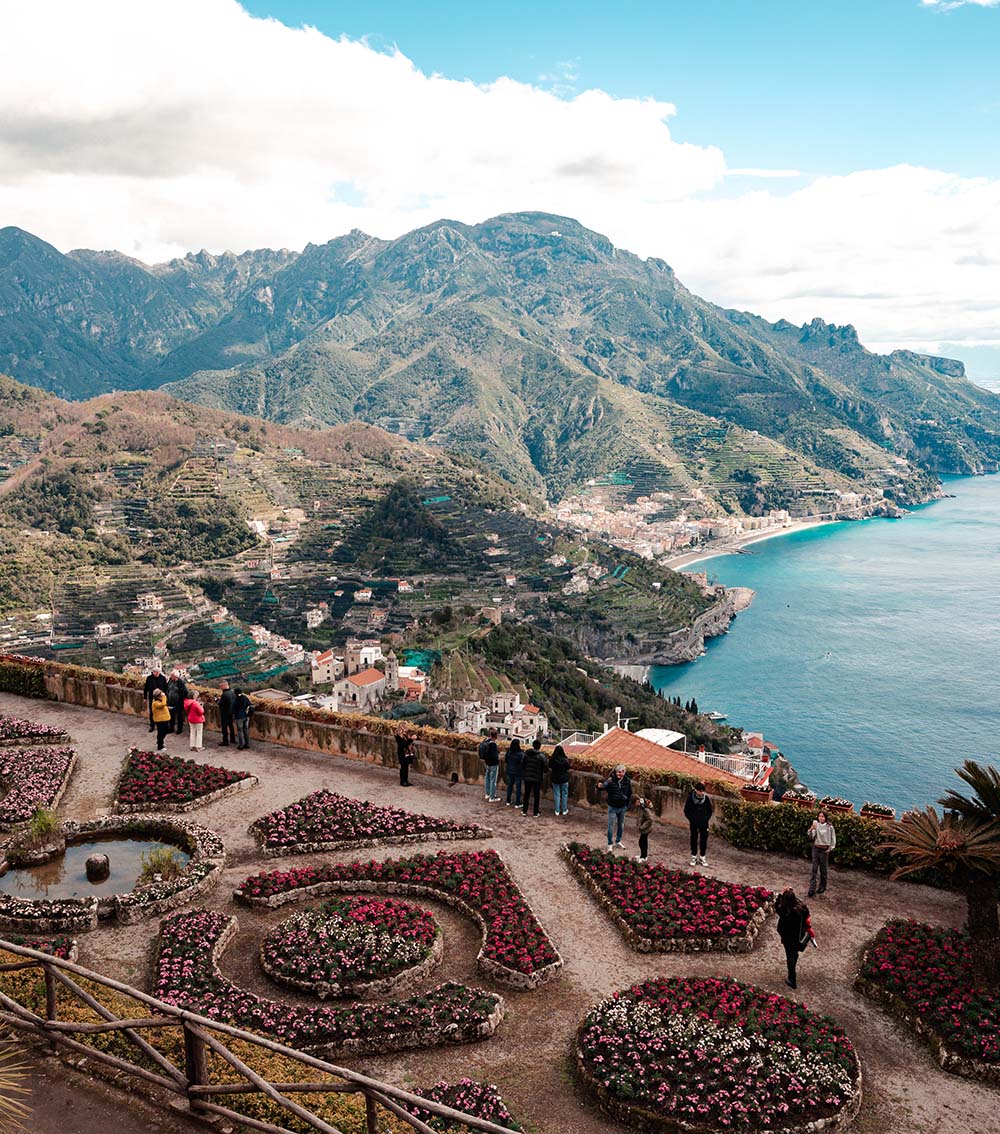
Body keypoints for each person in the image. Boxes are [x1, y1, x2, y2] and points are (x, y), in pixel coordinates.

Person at [775, 888, 815, 989]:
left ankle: (792, 979)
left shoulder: (784, 911)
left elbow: (777, 905)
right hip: (798, 935)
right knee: (793, 953)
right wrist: (791, 894)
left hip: (788, 938)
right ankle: (792, 974)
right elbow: (803, 908)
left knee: (790, 956)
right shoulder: (801, 909)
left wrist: (782, 893)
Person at [599, 764, 632, 851]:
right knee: (611, 826)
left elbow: (629, 793)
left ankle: (618, 841)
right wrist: (599, 786)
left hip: (622, 807)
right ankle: (610, 843)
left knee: (621, 825)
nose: (618, 774)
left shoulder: (627, 781)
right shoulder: (610, 780)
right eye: (617, 772)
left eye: (620, 772)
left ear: (624, 772)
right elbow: (602, 787)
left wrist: (627, 805)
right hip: (613, 807)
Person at [684, 781, 714, 867]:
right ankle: (694, 857)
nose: (702, 793)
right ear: (696, 790)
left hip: (704, 824)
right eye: (700, 791)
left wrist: (705, 819)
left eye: (703, 791)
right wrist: (692, 819)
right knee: (693, 839)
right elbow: (686, 810)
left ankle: (702, 857)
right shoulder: (690, 799)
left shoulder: (706, 799)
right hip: (694, 823)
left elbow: (710, 811)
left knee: (703, 840)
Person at [808, 810, 837, 896]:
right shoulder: (816, 825)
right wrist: (812, 828)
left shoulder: (829, 827)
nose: (821, 818)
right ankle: (812, 889)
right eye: (819, 816)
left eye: (822, 816)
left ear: (825, 817)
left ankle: (822, 886)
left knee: (823, 870)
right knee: (814, 869)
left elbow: (833, 838)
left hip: (824, 850)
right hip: (816, 848)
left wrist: (830, 848)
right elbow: (811, 836)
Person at [521, 738, 548, 817]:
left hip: (527, 777)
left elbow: (522, 764)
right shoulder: (541, 756)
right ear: (539, 747)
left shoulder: (526, 754)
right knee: (536, 795)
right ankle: (535, 812)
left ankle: (524, 811)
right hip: (537, 778)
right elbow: (545, 767)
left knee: (527, 794)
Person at [478, 727, 501, 802]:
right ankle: (492, 797)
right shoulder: (493, 744)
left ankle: (487, 794)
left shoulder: (486, 740)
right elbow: (495, 755)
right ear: (496, 736)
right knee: (493, 780)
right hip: (493, 764)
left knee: (487, 778)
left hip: (487, 762)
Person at [143, 664, 168, 732]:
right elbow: (146, 688)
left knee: (162, 712)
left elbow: (165, 688)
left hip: (161, 698)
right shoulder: (149, 678)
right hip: (152, 698)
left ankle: (161, 725)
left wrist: (165, 696)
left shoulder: (163, 678)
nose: (157, 674)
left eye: (158, 672)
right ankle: (152, 725)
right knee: (152, 712)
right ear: (153, 672)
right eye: (155, 672)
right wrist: (145, 697)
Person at [549, 744, 571, 816]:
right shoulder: (565, 760)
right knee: (564, 794)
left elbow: (549, 766)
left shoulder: (552, 759)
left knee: (557, 794)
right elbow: (568, 767)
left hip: (555, 778)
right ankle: (564, 810)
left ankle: (557, 810)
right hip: (564, 779)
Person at [166, 669, 189, 735]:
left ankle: (179, 729)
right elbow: (167, 688)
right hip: (170, 702)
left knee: (179, 717)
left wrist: (180, 701)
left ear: (176, 677)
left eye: (172, 676)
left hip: (178, 703)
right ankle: (171, 728)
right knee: (171, 716)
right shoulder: (170, 680)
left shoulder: (180, 683)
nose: (171, 677)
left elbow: (185, 693)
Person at [504, 738, 525, 807]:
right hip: (518, 772)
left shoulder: (509, 752)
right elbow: (523, 763)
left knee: (510, 786)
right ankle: (517, 802)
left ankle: (508, 800)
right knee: (518, 787)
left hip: (510, 771)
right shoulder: (521, 754)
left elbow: (506, 760)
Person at [218, 680, 236, 747]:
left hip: (225, 713)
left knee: (224, 728)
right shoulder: (233, 692)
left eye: (221, 686)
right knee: (231, 726)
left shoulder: (224, 694)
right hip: (232, 712)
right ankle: (232, 739)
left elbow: (220, 704)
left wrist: (217, 700)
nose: (220, 688)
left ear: (224, 685)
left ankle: (225, 741)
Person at [636, 797, 654, 862]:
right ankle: (643, 856)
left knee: (641, 842)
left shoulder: (645, 810)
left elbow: (650, 819)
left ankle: (643, 857)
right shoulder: (641, 809)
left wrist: (642, 827)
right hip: (644, 829)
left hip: (645, 829)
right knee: (643, 841)